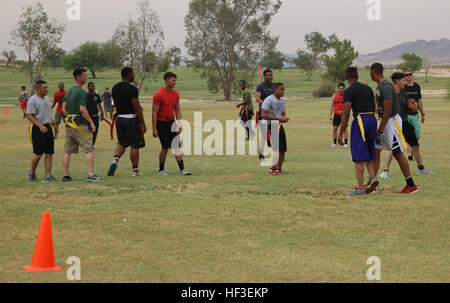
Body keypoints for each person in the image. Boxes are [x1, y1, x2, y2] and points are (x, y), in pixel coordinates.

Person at [370, 63, 418, 194]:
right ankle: (372, 184)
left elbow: (387, 111)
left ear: (374, 71)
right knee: (376, 151)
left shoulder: (386, 86)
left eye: (370, 71)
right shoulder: (380, 86)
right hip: (383, 121)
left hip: (390, 122)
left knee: (397, 152)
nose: (369, 74)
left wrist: (380, 130)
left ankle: (411, 185)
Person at [379, 73, 434, 178]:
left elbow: (408, 109)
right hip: (394, 124)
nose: (405, 83)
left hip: (405, 122)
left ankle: (421, 168)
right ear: (397, 82)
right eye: (403, 80)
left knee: (415, 145)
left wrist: (413, 107)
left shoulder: (404, 94)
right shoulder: (390, 94)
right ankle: (385, 171)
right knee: (393, 147)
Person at [338, 67, 378, 196]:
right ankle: (372, 177)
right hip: (372, 119)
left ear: (347, 77)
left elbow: (346, 112)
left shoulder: (349, 91)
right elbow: (374, 106)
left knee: (359, 155)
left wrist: (341, 132)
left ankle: (360, 189)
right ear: (357, 76)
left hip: (361, 120)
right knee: (368, 151)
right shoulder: (367, 88)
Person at [62, 68, 102, 183]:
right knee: (89, 149)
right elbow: (82, 109)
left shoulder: (68, 91)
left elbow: (63, 109)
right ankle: (91, 174)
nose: (86, 78)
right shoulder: (81, 92)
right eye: (85, 76)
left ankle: (66, 176)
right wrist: (91, 122)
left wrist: (69, 118)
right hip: (80, 125)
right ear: (78, 77)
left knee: (68, 151)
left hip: (69, 125)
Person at [107, 67, 146, 177]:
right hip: (130, 119)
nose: (133, 76)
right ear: (128, 75)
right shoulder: (132, 89)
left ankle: (115, 160)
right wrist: (142, 123)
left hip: (119, 118)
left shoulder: (114, 88)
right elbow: (137, 107)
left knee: (121, 142)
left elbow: (115, 103)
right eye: (133, 74)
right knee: (134, 145)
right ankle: (135, 171)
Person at [153, 72, 191, 176]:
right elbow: (154, 112)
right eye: (173, 80)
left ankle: (182, 169)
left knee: (176, 146)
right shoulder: (158, 95)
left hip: (172, 122)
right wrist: (154, 129)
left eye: (175, 80)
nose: (175, 82)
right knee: (165, 147)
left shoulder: (176, 94)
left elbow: (177, 110)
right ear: (166, 80)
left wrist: (179, 123)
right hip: (161, 123)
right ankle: (161, 170)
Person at [26, 80, 58, 182]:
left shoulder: (46, 99)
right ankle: (31, 173)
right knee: (38, 153)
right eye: (45, 88)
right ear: (38, 89)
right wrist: (39, 126)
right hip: (37, 128)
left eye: (47, 87)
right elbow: (29, 115)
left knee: (49, 153)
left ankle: (48, 176)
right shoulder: (33, 100)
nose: (47, 90)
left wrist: (54, 126)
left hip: (47, 128)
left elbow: (48, 114)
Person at [261, 82, 289, 176]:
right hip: (272, 126)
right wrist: (279, 119)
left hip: (280, 126)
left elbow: (283, 112)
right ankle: (272, 169)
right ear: (275, 89)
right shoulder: (269, 100)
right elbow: (263, 114)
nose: (283, 91)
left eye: (284, 89)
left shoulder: (282, 100)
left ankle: (279, 168)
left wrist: (284, 117)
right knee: (276, 149)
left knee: (283, 148)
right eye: (281, 89)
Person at [403, 68, 426, 161]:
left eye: (410, 74)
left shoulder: (416, 86)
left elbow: (419, 100)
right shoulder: (403, 87)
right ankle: (409, 155)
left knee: (417, 135)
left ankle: (412, 150)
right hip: (406, 115)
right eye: (406, 75)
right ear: (404, 76)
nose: (409, 76)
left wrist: (422, 113)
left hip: (415, 114)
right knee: (409, 135)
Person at [255, 70, 275, 161]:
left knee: (275, 134)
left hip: (274, 114)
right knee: (263, 134)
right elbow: (257, 98)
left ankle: (276, 154)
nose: (270, 77)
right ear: (264, 76)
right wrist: (262, 102)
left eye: (271, 75)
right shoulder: (260, 86)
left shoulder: (275, 86)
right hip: (263, 113)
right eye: (268, 75)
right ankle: (261, 155)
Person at [329, 83, 348, 147]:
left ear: (344, 89)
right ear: (338, 89)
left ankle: (345, 143)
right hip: (336, 114)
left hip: (344, 115)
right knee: (335, 128)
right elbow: (332, 106)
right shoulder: (334, 96)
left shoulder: (347, 96)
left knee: (344, 129)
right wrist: (330, 115)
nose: (341, 89)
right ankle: (334, 143)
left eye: (343, 88)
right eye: (340, 88)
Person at [86, 82, 104, 146]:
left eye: (93, 86)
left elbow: (99, 105)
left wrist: (102, 113)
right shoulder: (85, 96)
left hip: (95, 117)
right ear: (87, 87)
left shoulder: (97, 96)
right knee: (87, 132)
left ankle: (92, 145)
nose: (92, 87)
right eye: (90, 86)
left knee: (95, 132)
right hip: (87, 117)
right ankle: (87, 145)